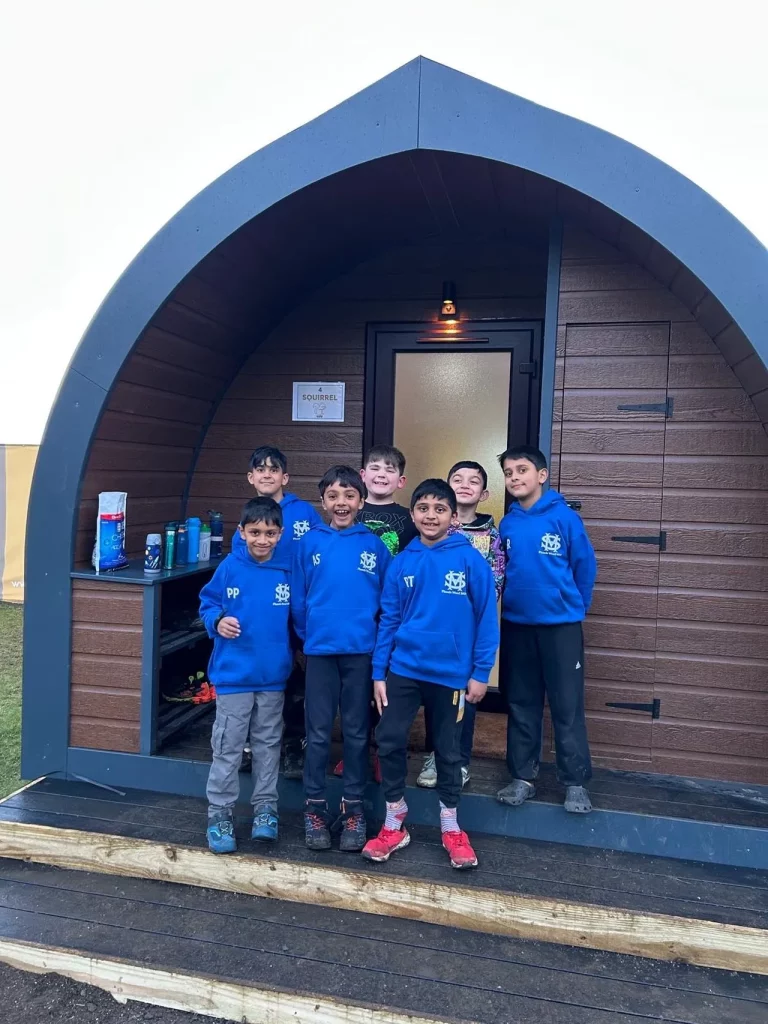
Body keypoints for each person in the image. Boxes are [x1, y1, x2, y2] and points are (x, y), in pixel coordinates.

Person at [364, 479, 499, 870]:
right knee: (388, 739)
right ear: (412, 514)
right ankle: (395, 819)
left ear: (453, 517)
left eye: (440, 509)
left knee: (448, 751)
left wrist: (479, 673)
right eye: (423, 508)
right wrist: (378, 672)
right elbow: (388, 619)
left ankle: (451, 826)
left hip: (452, 674)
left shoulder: (471, 560)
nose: (430, 515)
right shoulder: (402, 561)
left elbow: (486, 619)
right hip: (403, 669)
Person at [291, 465, 392, 851]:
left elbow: (386, 603)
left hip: (360, 653)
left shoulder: (374, 545)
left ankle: (354, 810)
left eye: (349, 495)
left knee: (355, 733)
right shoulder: (309, 543)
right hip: (319, 652)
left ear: (361, 500)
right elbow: (298, 600)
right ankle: (315, 808)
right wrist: (308, 637)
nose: (341, 503)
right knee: (317, 734)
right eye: (333, 496)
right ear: (323, 502)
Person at [495, 445, 597, 814]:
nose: (515, 478)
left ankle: (575, 782)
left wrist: (573, 608)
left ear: (542, 475)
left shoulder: (564, 518)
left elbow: (584, 567)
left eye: (522, 470)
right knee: (522, 703)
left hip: (561, 628)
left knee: (567, 706)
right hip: (518, 626)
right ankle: (522, 777)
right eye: (508, 473)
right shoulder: (507, 524)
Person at [199, 497, 293, 853]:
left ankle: (265, 810)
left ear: (280, 534)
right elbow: (208, 604)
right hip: (234, 677)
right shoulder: (229, 567)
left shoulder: (287, 569)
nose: (262, 540)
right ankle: (220, 814)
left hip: (273, 678)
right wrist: (217, 621)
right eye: (255, 532)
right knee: (229, 746)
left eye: (270, 533)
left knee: (269, 745)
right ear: (242, 532)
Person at [233, 445, 322, 780]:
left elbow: (318, 558)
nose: (267, 474)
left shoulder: (305, 514)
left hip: (298, 608)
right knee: (260, 676)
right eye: (260, 469)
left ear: (285, 477)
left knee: (297, 679)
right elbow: (238, 570)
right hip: (260, 613)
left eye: (274, 469)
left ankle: (295, 745)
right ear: (251, 477)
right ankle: (250, 745)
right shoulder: (248, 516)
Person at [417, 461, 505, 791]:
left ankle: (459, 760)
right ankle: (434, 755)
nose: (465, 484)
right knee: (434, 694)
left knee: (464, 698)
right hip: (433, 628)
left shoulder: (492, 537)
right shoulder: (435, 530)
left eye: (473, 481)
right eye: (457, 479)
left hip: (466, 632)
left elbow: (495, 585)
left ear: (485, 493)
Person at [356, 444, 419, 555]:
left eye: (390, 470)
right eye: (375, 468)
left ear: (401, 481)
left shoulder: (412, 518)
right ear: (363, 475)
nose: (381, 474)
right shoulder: (349, 512)